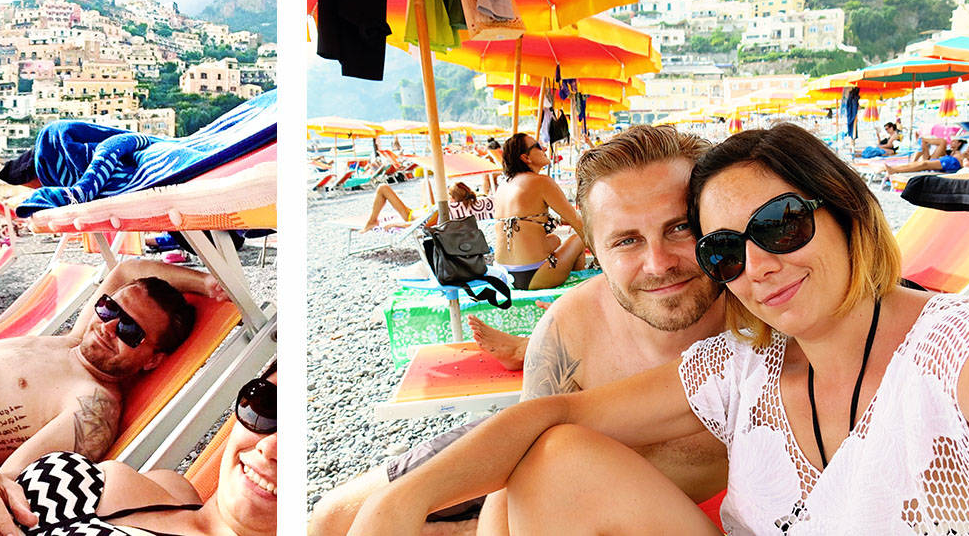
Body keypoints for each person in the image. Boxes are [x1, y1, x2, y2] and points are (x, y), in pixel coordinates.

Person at [345, 124, 969, 534]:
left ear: (850, 210)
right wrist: (400, 504)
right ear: (596, 246)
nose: (759, 265)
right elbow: (548, 422)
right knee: (542, 463)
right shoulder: (742, 365)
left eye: (781, 225)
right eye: (727, 249)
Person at [310, 125, 730, 536]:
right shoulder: (571, 326)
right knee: (332, 520)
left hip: (608, 499)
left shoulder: (758, 328)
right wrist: (405, 500)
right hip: (545, 483)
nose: (658, 264)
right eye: (626, 241)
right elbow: (517, 463)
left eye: (680, 228)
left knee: (553, 453)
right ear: (594, 251)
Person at [0, 258, 224, 515]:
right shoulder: (71, 342)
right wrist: (206, 282)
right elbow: (124, 270)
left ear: (152, 360)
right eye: (109, 309)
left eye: (130, 332)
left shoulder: (92, 405)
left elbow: (2, 487)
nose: (108, 328)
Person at [0, 368, 277, 536]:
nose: (271, 445)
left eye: (130, 329)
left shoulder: (94, 402)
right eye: (267, 406)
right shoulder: (171, 490)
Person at [493, 133, 585, 290]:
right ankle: (581, 285)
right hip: (535, 274)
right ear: (526, 158)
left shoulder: (504, 186)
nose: (543, 148)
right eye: (537, 146)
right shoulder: (542, 182)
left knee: (555, 239)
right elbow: (577, 222)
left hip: (503, 274)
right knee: (579, 238)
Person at [359, 182, 492, 233]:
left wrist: (393, 224)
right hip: (427, 210)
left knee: (383, 188)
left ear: (452, 198)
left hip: (411, 215)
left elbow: (418, 225)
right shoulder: (466, 204)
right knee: (425, 182)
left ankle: (372, 221)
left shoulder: (444, 211)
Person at [885, 138, 969, 175]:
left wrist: (967, 156)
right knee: (923, 163)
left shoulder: (966, 152)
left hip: (953, 162)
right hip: (947, 160)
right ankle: (894, 169)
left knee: (924, 164)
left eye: (955, 141)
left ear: (960, 143)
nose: (952, 142)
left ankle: (894, 170)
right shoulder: (953, 151)